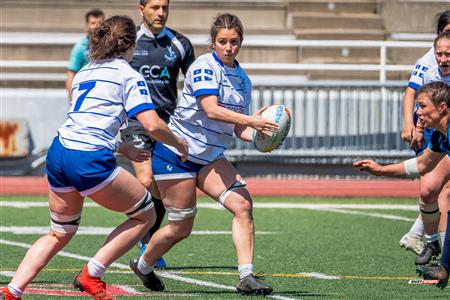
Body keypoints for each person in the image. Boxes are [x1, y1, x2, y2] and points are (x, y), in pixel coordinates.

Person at [0, 15, 188, 300]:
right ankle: (92, 273)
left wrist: (121, 148)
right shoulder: (128, 74)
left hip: (59, 152)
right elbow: (152, 124)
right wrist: (179, 143)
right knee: (145, 215)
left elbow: (85, 123)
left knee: (59, 232)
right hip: (87, 159)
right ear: (131, 46)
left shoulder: (85, 72)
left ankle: (12, 291)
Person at [128, 13, 277, 295]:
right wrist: (251, 121)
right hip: (177, 154)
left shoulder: (243, 80)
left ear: (241, 42)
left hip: (210, 159)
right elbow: (210, 109)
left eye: (234, 41)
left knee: (243, 205)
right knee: (180, 227)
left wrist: (261, 137)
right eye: (222, 41)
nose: (229, 47)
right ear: (213, 42)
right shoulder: (204, 67)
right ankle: (144, 265)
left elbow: (236, 128)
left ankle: (246, 276)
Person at [120, 0, 195, 269]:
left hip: (168, 126)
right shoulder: (130, 43)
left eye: (164, 7)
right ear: (141, 10)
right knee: (147, 179)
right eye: (154, 7)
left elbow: (194, 85)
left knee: (163, 188)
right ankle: (143, 232)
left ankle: (147, 238)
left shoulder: (180, 44)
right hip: (136, 124)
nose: (160, 12)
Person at [354, 81, 450, 288]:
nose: (418, 112)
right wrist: (380, 170)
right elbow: (423, 165)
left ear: (442, 107)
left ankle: (444, 267)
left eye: (423, 106)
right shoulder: (436, 133)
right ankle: (444, 268)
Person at [398, 12, 450, 264]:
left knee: (445, 190)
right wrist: (413, 124)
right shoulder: (428, 61)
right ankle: (428, 241)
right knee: (429, 189)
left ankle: (440, 256)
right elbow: (412, 94)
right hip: (436, 133)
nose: (443, 57)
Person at [65, 9, 105, 102]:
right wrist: (71, 101)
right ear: (87, 25)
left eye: (100, 23)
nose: (97, 26)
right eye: (93, 23)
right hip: (86, 94)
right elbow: (71, 74)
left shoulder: (109, 46)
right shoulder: (80, 47)